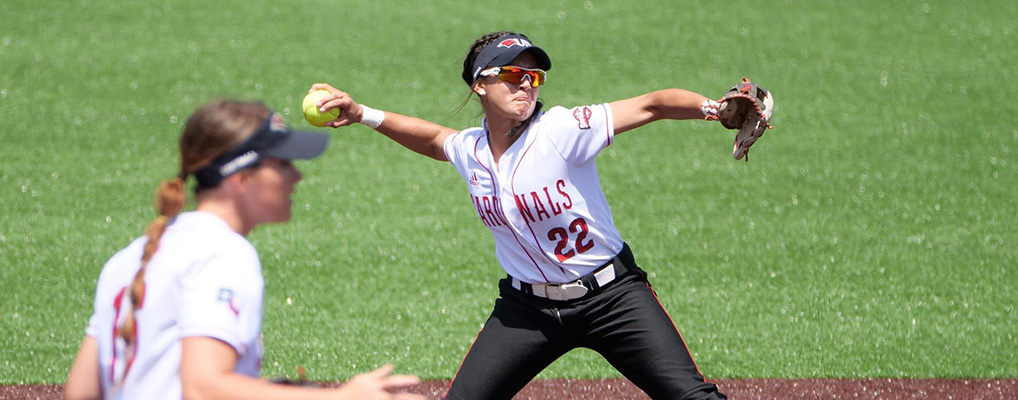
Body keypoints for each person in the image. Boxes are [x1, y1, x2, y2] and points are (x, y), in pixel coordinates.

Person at [309, 31, 732, 400]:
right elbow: (437, 140)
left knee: (690, 396)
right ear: (480, 84)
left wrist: (714, 109)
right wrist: (363, 114)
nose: (527, 85)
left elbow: (654, 105)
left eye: (535, 77)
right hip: (527, 312)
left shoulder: (561, 130)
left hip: (612, 299)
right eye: (514, 75)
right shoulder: (471, 150)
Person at [64, 99, 424, 400]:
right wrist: (341, 398)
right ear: (241, 179)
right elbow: (203, 387)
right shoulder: (223, 254)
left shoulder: (135, 254)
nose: (296, 176)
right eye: (282, 164)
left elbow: (80, 392)